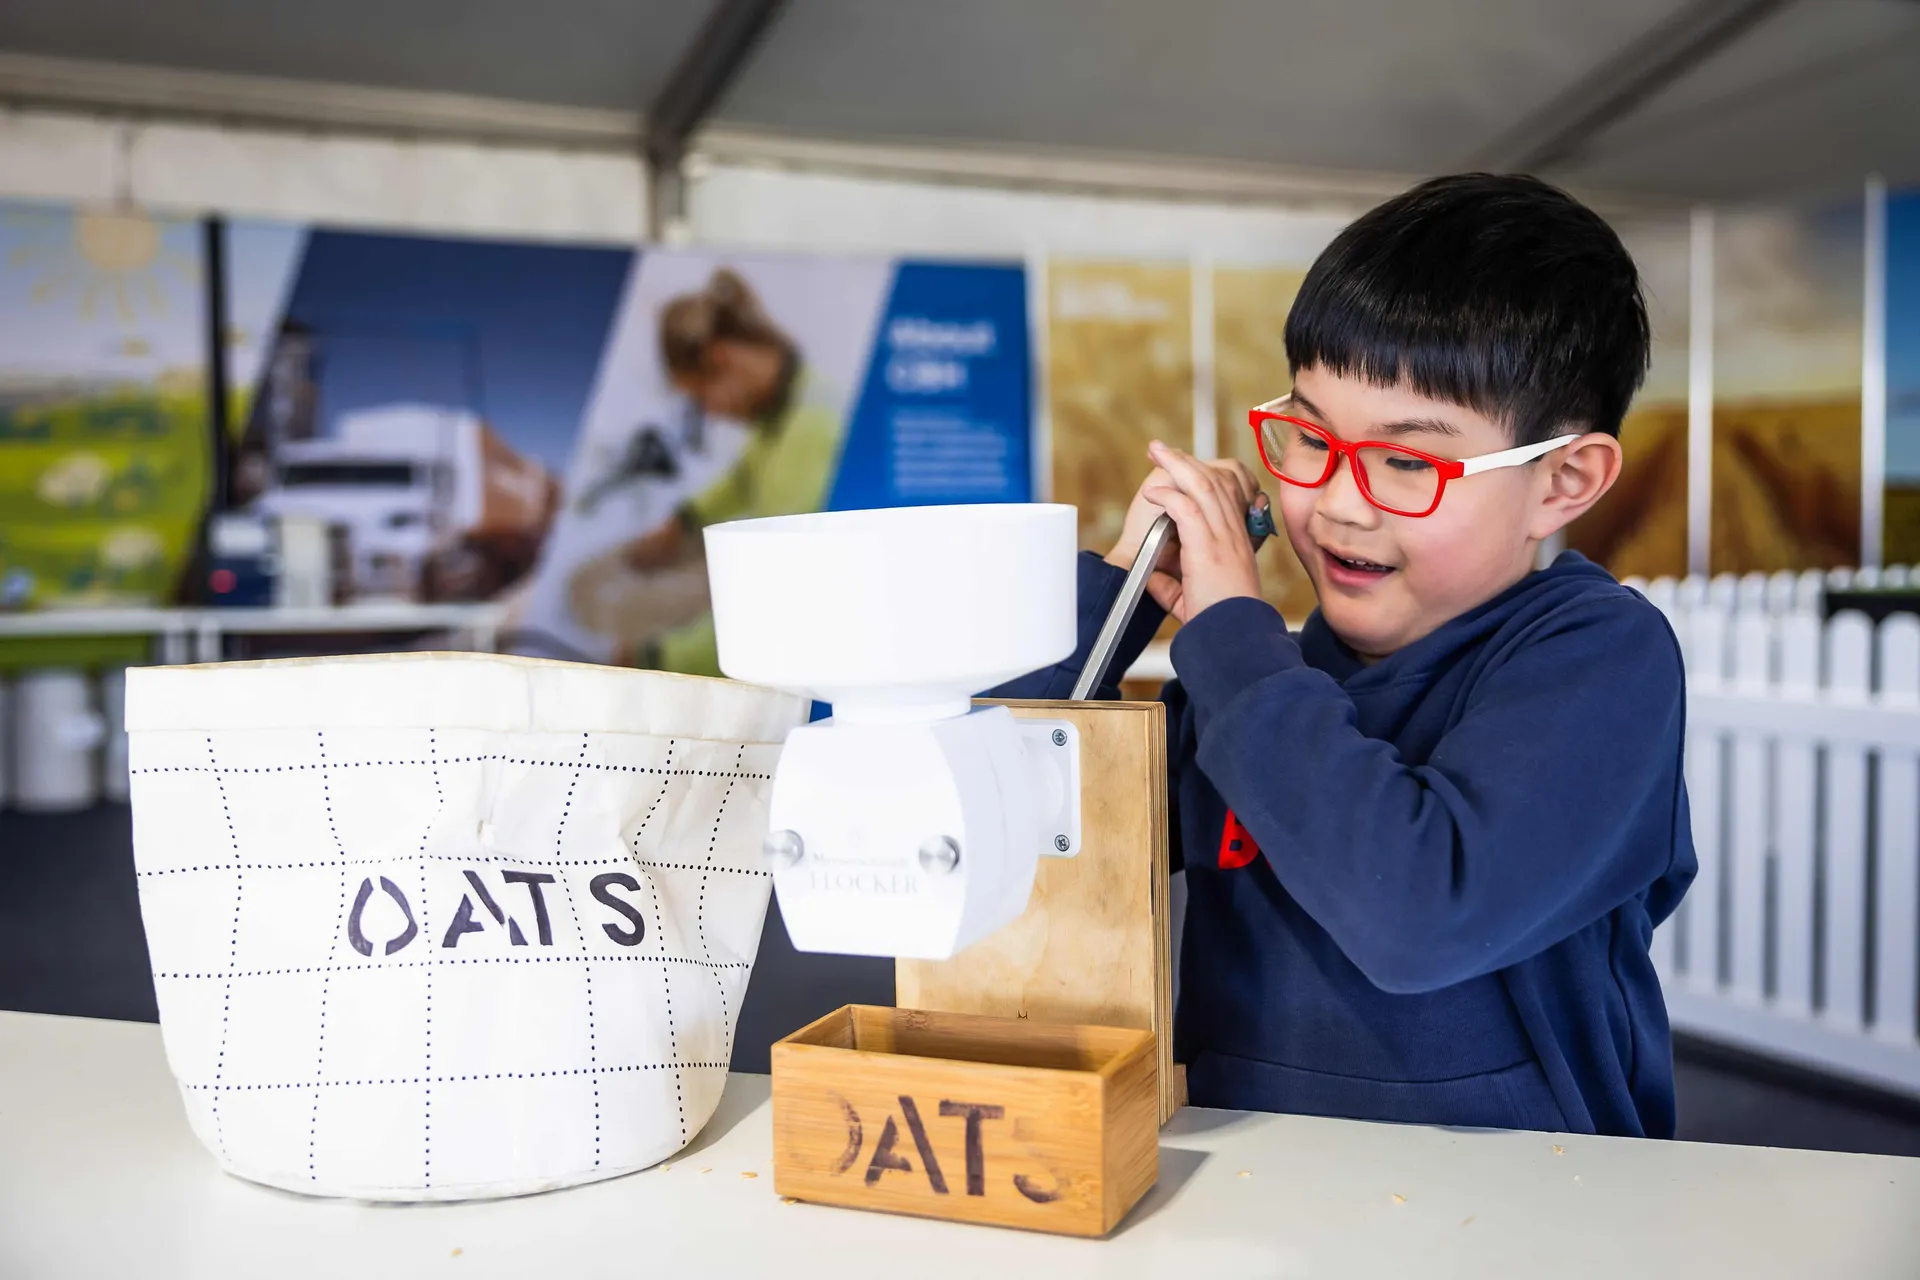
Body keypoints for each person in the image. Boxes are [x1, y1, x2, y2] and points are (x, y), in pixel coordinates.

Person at [995, 174, 1695, 1138]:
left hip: (1526, 1222)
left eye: (1408, 461)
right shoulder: (1265, 687)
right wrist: (1116, 593)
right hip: (1255, 1200)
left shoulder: (1597, 661)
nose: (1338, 503)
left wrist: (1232, 641)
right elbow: (1002, 810)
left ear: (1563, 479)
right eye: (1313, 438)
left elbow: (1417, 918)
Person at [603, 268, 845, 673]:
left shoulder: (811, 431)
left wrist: (658, 659)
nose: (710, 414)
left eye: (701, 398)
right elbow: (743, 477)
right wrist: (684, 521)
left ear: (723, 358)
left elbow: (779, 600)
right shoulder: (786, 412)